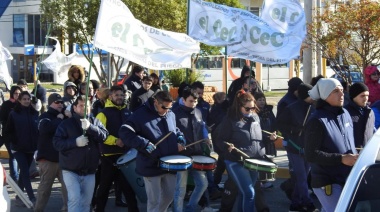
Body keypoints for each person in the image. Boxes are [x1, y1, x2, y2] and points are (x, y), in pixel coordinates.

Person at [119, 91, 185, 212]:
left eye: (169, 107)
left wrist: (180, 137)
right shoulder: (140, 114)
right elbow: (124, 132)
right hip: (150, 163)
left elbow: (174, 129)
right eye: (164, 107)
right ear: (155, 102)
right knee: (154, 201)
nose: (167, 110)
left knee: (170, 195)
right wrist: (144, 144)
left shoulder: (170, 113)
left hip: (169, 163)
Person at [305, 78, 359, 212]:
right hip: (327, 181)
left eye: (342, 90)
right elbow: (310, 154)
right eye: (335, 91)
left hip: (346, 178)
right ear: (324, 94)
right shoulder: (316, 120)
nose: (341, 94)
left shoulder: (345, 114)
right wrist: (341, 158)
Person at [53, 95, 108, 212]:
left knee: (86, 202)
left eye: (87, 106)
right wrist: (75, 142)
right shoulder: (66, 124)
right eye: (81, 106)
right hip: (71, 170)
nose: (84, 108)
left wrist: (91, 128)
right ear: (75, 108)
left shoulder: (95, 121)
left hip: (90, 171)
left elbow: (104, 136)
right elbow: (57, 143)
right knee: (74, 199)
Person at [216, 90, 267, 212]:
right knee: (249, 193)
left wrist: (269, 139)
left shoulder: (255, 117)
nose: (251, 111)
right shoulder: (230, 120)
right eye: (247, 109)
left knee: (244, 193)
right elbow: (220, 140)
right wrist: (227, 147)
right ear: (239, 106)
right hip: (236, 161)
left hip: (254, 161)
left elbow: (257, 138)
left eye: (252, 108)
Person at [94, 86, 139, 212]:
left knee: (129, 189)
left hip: (126, 158)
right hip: (108, 157)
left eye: (121, 95)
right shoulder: (102, 114)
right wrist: (115, 141)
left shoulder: (129, 113)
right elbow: (98, 134)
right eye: (117, 95)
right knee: (104, 189)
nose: (120, 97)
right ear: (110, 97)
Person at [276, 83, 317, 212]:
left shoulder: (314, 107)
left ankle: (295, 203)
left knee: (304, 175)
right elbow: (280, 124)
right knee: (301, 177)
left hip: (308, 147)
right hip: (295, 147)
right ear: (307, 94)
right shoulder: (291, 108)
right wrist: (294, 130)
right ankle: (307, 202)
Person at [172, 88, 212, 212]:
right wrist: (177, 143)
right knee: (181, 188)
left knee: (202, 184)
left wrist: (206, 137)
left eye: (195, 101)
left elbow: (202, 127)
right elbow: (170, 133)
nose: (193, 104)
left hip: (196, 153)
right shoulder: (174, 113)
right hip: (181, 156)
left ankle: (190, 208)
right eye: (190, 101)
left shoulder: (198, 112)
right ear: (183, 100)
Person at [34, 93, 68, 212]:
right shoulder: (45, 116)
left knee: (67, 187)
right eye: (57, 102)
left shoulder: (66, 115)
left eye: (61, 102)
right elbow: (44, 129)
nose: (60, 104)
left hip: (63, 159)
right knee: (45, 189)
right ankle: (38, 209)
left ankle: (67, 208)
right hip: (48, 159)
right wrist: (58, 119)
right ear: (50, 104)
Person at [4, 91, 39, 203]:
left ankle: (19, 196)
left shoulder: (34, 113)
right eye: (24, 99)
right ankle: (31, 198)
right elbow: (8, 131)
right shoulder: (13, 114)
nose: (26, 101)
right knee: (25, 172)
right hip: (18, 148)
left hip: (30, 148)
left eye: (28, 99)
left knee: (24, 172)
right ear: (19, 100)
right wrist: (14, 141)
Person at [276, 77, 303, 200]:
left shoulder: (298, 99)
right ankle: (290, 189)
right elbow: (281, 123)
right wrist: (293, 131)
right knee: (295, 170)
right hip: (290, 140)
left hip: (300, 140)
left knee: (300, 170)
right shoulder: (285, 102)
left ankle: (292, 189)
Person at [0, 86, 22, 181]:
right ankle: (15, 177)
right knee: (12, 156)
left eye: (19, 93)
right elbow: (2, 119)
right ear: (12, 94)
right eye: (16, 93)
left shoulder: (23, 104)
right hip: (8, 134)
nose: (17, 95)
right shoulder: (6, 105)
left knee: (18, 156)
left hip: (20, 135)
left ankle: (19, 176)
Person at [344, 82, 375, 148]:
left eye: (367, 95)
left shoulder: (370, 112)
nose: (366, 98)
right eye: (362, 96)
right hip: (351, 154)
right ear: (354, 96)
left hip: (367, 152)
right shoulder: (345, 112)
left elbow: (372, 130)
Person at [254, 92, 276, 157]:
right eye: (260, 100)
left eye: (263, 100)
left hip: (270, 142)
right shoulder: (254, 113)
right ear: (255, 101)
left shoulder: (269, 111)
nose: (262, 102)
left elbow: (274, 123)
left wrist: (275, 133)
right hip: (259, 142)